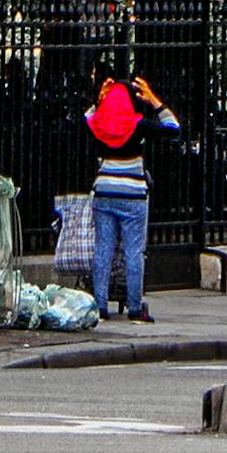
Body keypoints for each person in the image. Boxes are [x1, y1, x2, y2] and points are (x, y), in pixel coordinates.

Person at [84, 75, 178, 321]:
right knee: (134, 252)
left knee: (103, 249)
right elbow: (173, 129)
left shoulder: (99, 123)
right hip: (133, 195)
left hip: (104, 191)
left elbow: (84, 119)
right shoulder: (138, 125)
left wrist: (99, 100)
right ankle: (135, 308)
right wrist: (154, 100)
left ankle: (100, 307)